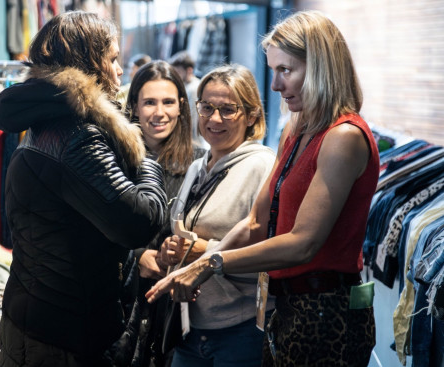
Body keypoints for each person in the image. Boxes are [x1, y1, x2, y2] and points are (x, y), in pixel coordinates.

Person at [147, 10, 379, 366]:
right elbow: (256, 221)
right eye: (274, 70)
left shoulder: (343, 137)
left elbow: (303, 243)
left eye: (285, 70)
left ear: (320, 67)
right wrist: (201, 265)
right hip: (284, 308)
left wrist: (210, 263)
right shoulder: (296, 130)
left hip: (325, 311)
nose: (275, 85)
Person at [0, 11, 168, 367]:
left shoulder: (49, 121)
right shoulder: (77, 137)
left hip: (45, 323)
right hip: (61, 337)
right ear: (90, 62)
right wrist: (145, 157)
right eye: (113, 59)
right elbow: (140, 222)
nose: (119, 71)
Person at [159, 64, 274, 367]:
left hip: (241, 331)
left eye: (227, 109)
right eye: (206, 107)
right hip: (191, 329)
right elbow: (185, 232)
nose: (214, 118)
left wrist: (200, 250)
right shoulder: (199, 166)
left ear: (251, 115)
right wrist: (172, 250)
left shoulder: (262, 167)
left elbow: (270, 254)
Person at [119, 60, 204, 365]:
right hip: (123, 300)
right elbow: (94, 225)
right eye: (149, 102)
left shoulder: (201, 163)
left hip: (177, 310)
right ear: (134, 107)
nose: (159, 112)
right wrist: (137, 256)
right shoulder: (114, 160)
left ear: (181, 106)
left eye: (168, 102)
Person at [169, 51, 204, 147]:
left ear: (189, 70)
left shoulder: (193, 89)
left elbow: (191, 118)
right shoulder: (187, 86)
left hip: (193, 142)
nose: (176, 76)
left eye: (178, 72)